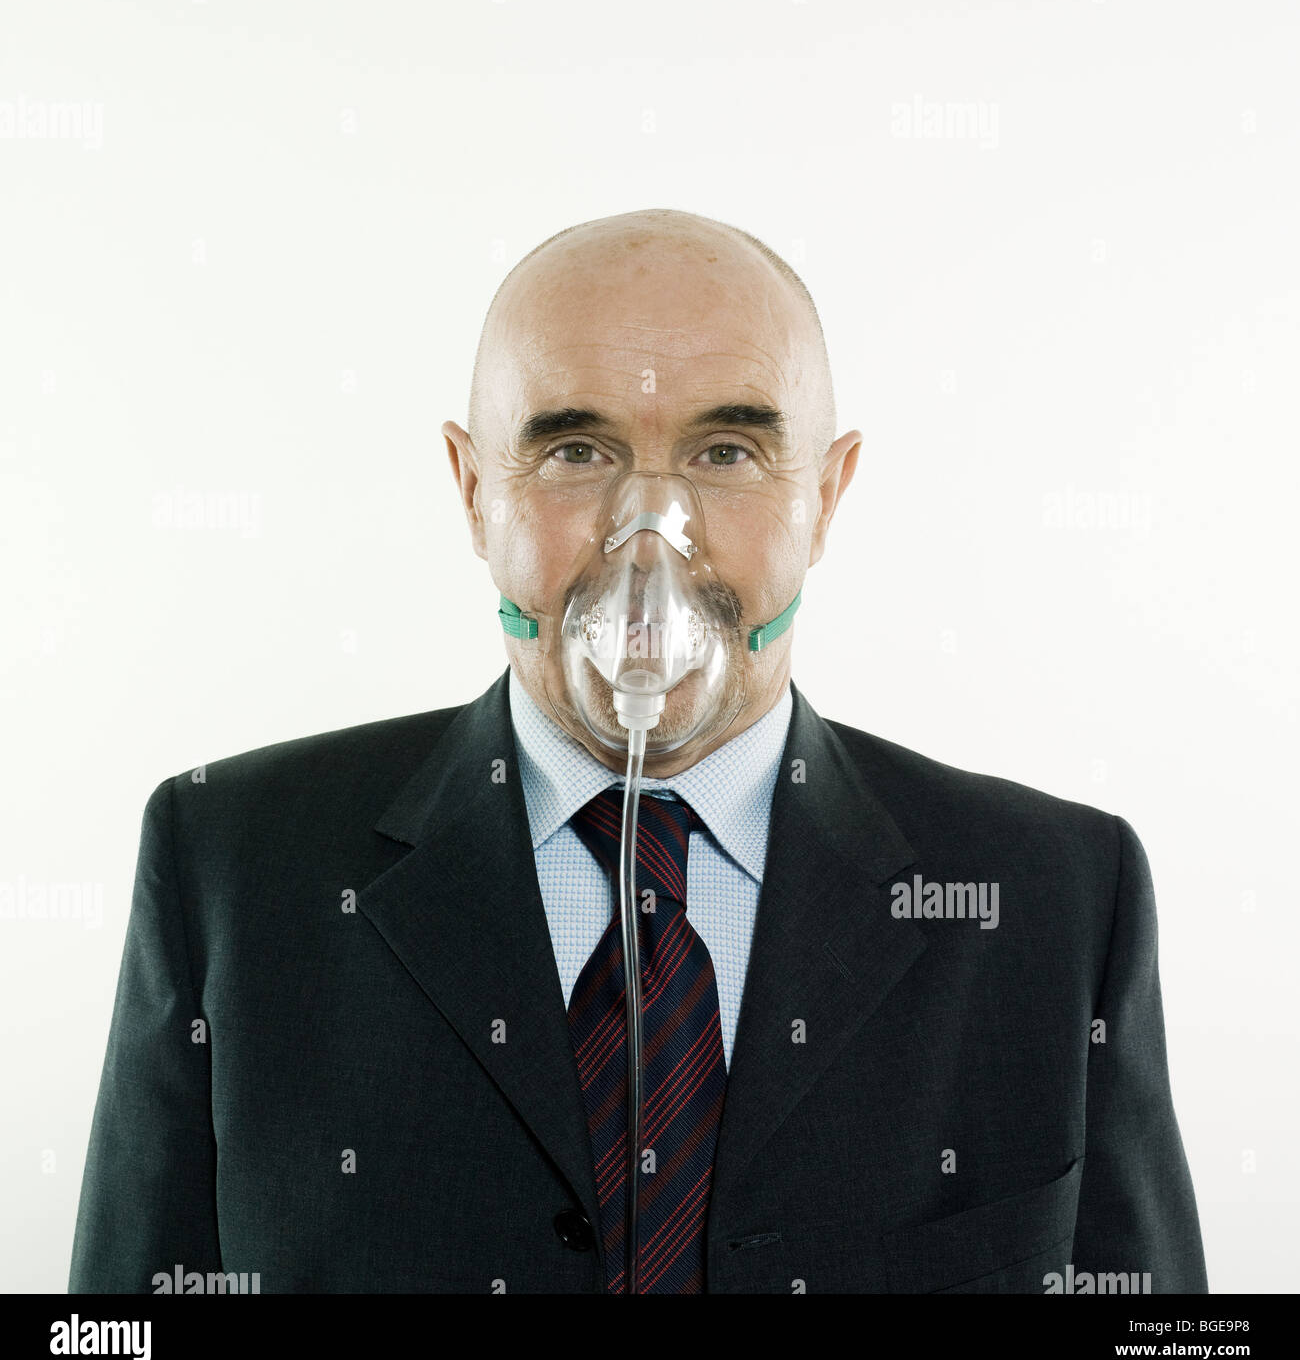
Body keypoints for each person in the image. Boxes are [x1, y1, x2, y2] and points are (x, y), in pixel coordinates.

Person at [69, 208, 1207, 1294]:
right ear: (473, 491)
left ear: (826, 491)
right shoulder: (235, 864)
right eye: (574, 449)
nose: (649, 531)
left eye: (725, 450)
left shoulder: (1052, 898)